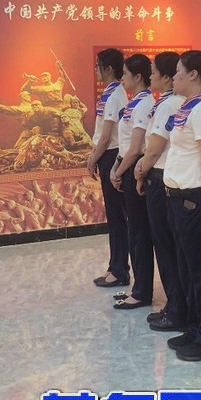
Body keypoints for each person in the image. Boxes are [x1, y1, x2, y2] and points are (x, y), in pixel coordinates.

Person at [162, 50, 201, 362]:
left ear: (193, 75)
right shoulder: (188, 107)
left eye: (178, 71)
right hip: (177, 197)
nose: (173, 77)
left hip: (194, 198)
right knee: (186, 269)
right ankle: (195, 327)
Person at [134, 52, 187, 332]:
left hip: (160, 176)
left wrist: (140, 171)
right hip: (165, 177)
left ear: (167, 77)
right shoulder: (174, 102)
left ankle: (176, 309)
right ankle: (175, 305)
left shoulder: (168, 105)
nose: (150, 76)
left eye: (154, 72)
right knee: (170, 248)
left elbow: (154, 148)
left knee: (166, 248)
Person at [110, 54, 156, 309]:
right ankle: (138, 288)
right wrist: (116, 167)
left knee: (139, 234)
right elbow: (126, 144)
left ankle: (141, 291)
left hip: (135, 169)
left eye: (126, 74)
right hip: (126, 166)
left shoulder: (145, 104)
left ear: (138, 77)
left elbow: (136, 147)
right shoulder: (134, 102)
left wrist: (119, 171)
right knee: (134, 231)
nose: (123, 79)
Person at [87, 48, 130, 288]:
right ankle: (115, 266)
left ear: (109, 68)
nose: (96, 70)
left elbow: (106, 137)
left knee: (117, 216)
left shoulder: (115, 96)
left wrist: (93, 158)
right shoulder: (111, 93)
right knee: (114, 217)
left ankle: (120, 270)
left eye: (98, 66)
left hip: (111, 155)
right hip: (106, 154)